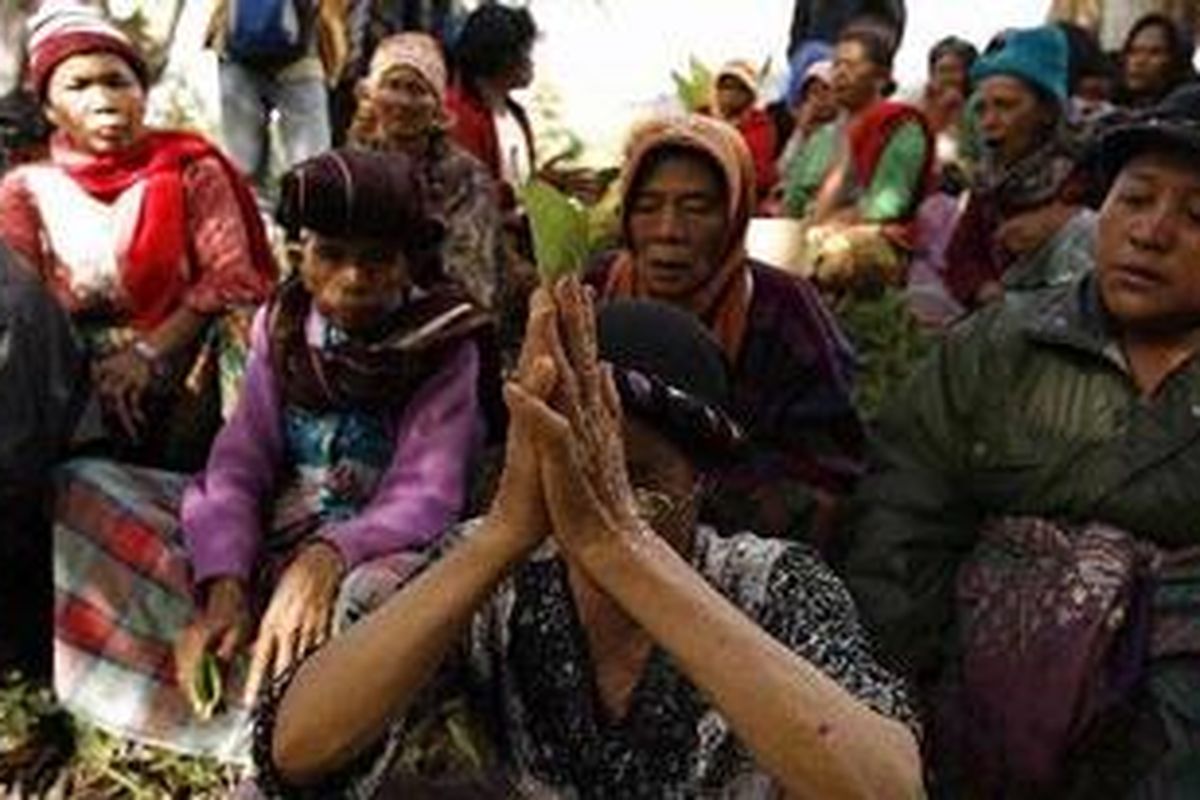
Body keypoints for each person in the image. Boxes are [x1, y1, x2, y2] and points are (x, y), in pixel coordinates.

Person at [254, 278, 922, 798]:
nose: (598, 503)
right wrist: (506, 532)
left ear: (701, 483)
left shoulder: (771, 586)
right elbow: (299, 747)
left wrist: (621, 548)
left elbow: (888, 787)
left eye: (639, 478)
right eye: (575, 471)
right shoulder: (498, 579)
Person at [52, 148, 491, 762]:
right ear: (300, 257)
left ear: (408, 265)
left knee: (372, 597)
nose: (354, 279)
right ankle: (199, 692)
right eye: (332, 255)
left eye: (377, 260)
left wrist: (328, 556)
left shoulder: (444, 341)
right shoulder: (282, 326)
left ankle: (295, 744)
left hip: (389, 542)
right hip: (286, 519)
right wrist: (225, 580)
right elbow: (240, 460)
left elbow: (428, 493)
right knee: (85, 488)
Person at [842, 83, 1200, 797]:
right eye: (1134, 199)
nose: (1151, 232)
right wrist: (895, 715)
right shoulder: (998, 347)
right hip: (973, 732)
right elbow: (903, 523)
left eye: (1197, 215)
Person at [0, 2, 276, 470]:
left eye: (117, 81)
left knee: (245, 322)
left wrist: (146, 354)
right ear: (49, 106)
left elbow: (233, 278)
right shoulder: (25, 188)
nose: (103, 99)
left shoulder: (192, 169)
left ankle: (241, 472)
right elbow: (26, 308)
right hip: (69, 369)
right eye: (78, 86)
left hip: (181, 352)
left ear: (142, 94)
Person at [587, 113, 863, 546]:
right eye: (646, 207)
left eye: (696, 209)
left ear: (734, 216)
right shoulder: (593, 293)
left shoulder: (784, 310)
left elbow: (829, 468)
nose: (668, 231)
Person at [349, 32, 503, 314]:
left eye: (418, 90)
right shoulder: (345, 169)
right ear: (370, 93)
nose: (404, 101)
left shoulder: (467, 177)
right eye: (393, 85)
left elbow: (470, 270)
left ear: (437, 106)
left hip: (440, 318)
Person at [943, 26, 1093, 311]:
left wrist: (1067, 223)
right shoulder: (989, 181)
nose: (989, 121)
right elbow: (961, 255)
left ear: (1047, 112)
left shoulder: (1083, 175)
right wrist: (986, 290)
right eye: (982, 109)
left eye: (1005, 105)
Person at [783, 25, 933, 295]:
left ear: (881, 76)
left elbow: (887, 204)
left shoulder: (900, 126)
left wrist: (827, 224)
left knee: (830, 256)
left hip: (872, 237)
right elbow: (792, 200)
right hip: (812, 230)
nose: (839, 73)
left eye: (851, 65)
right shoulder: (822, 137)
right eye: (837, 65)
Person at [206, 0, 349, 200]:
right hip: (296, 49)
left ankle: (255, 218)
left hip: (241, 44)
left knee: (244, 166)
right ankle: (302, 221)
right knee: (311, 167)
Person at [711, 59, 778, 205]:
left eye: (739, 88)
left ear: (750, 94)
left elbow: (761, 174)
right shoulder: (702, 120)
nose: (730, 93)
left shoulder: (760, 124)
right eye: (725, 87)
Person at [1115, 12, 1196, 110]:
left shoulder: (1188, 103)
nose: (1139, 61)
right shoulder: (1118, 104)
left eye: (1154, 53)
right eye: (1133, 52)